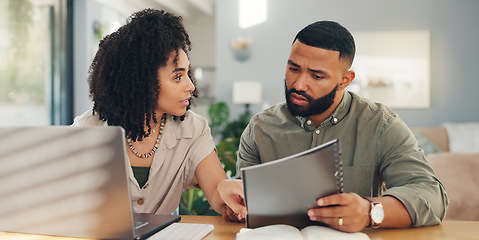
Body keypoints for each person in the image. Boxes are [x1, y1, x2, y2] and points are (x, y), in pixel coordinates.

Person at [218, 21, 449, 232]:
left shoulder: (381, 124)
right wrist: (237, 206)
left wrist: (370, 212)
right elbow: (241, 202)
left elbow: (432, 194)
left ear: (345, 80)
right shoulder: (259, 128)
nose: (299, 84)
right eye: (293, 68)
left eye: (317, 76)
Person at [72, 8, 240, 222]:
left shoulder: (193, 129)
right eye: (178, 77)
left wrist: (229, 196)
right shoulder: (87, 131)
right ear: (142, 83)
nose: (190, 85)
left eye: (187, 73)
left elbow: (217, 189)